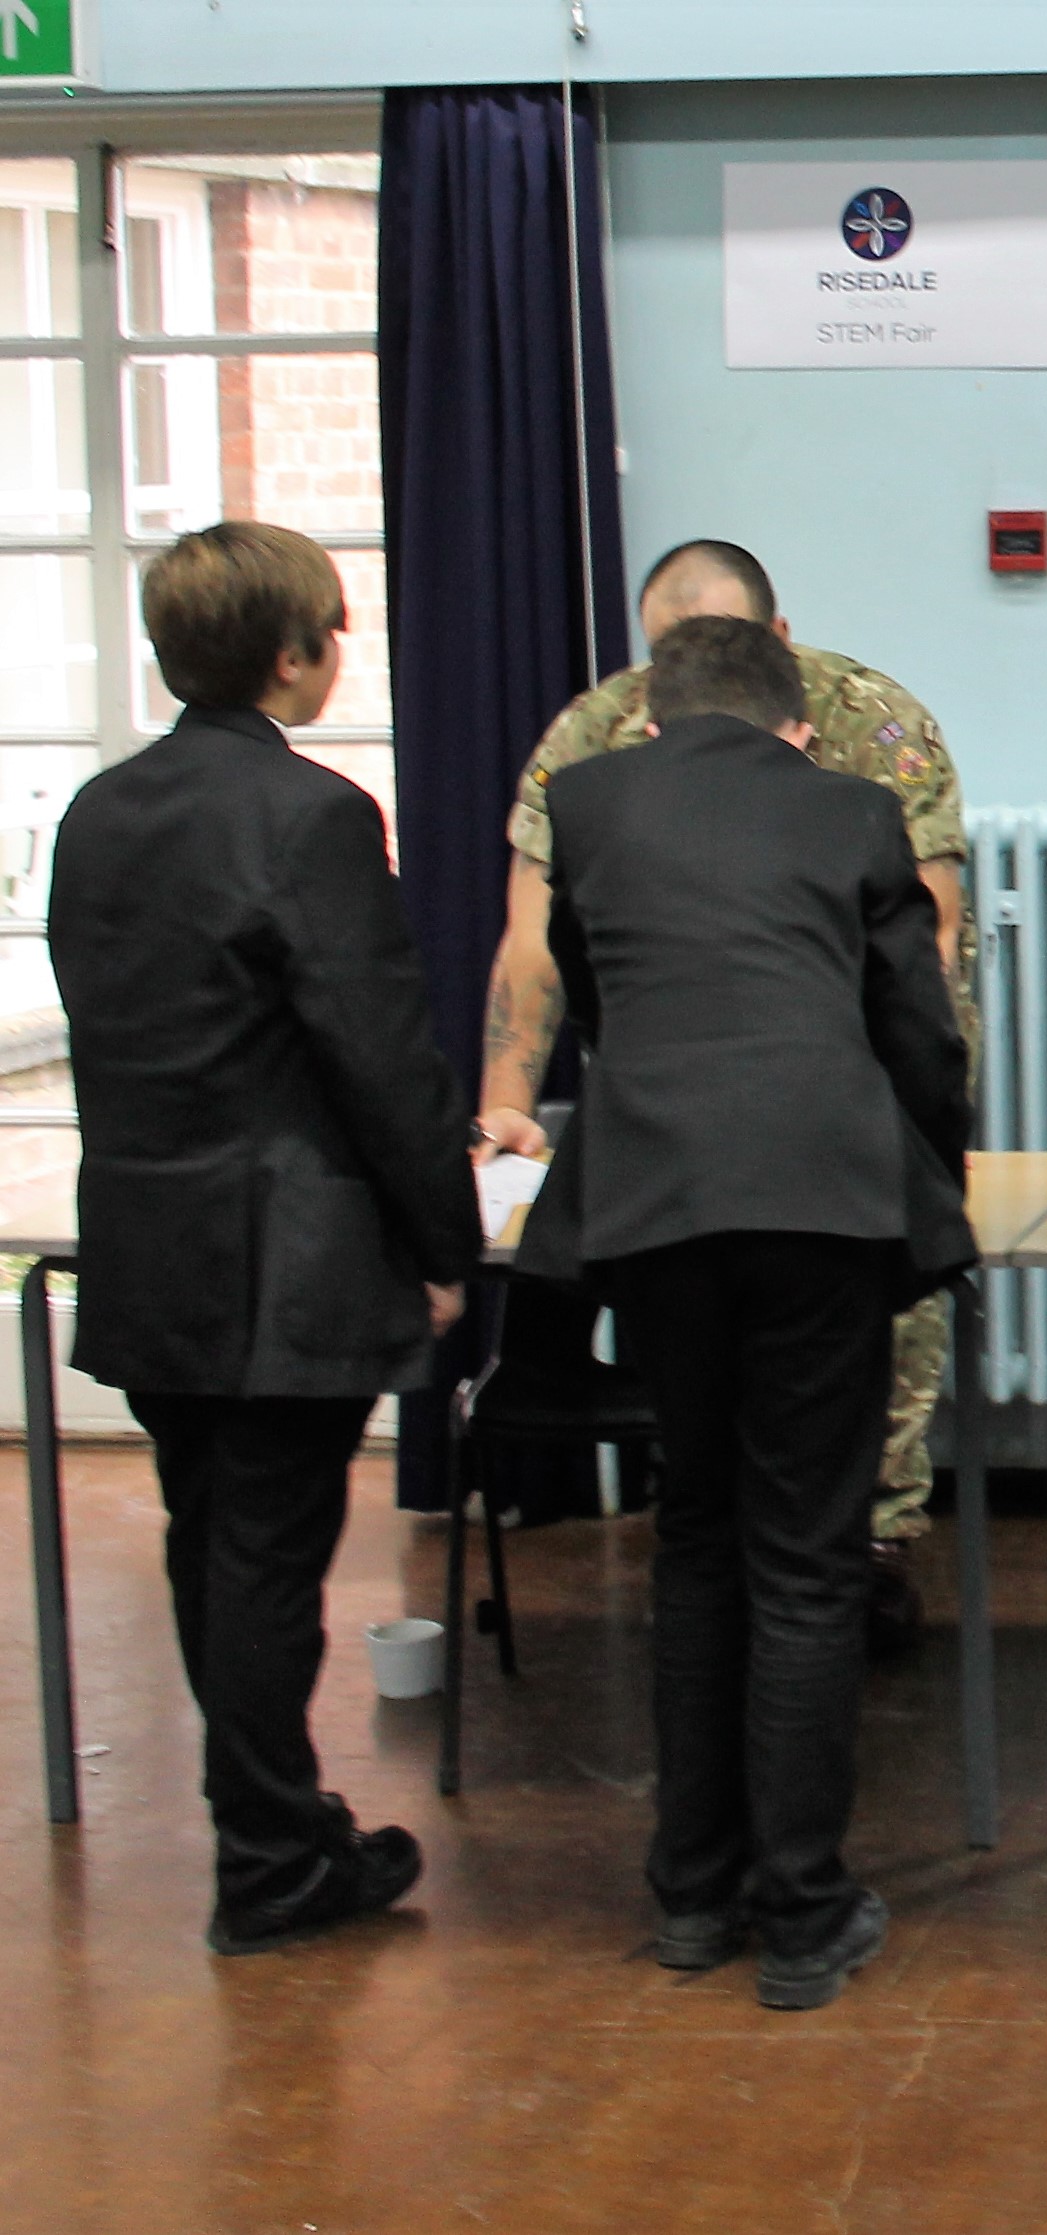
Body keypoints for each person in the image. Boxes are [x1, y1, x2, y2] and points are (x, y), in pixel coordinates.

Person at [514, 616, 971, 2011]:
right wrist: (933, 1172)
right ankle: (803, 1907)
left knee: (697, 1534)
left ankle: (692, 1894)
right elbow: (916, 1022)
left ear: (653, 722)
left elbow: (590, 993)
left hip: (653, 1203)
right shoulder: (853, 810)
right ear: (797, 726)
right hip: (818, 1205)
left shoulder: (589, 804)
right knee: (809, 1557)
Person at [49, 521, 476, 1954]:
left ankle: (270, 1824)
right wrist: (444, 1238)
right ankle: (273, 1857)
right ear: (292, 653)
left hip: (149, 1233)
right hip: (283, 1257)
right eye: (332, 630)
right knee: (269, 1562)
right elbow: (375, 1049)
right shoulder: (310, 815)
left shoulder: (100, 810)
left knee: (208, 1541)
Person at [475, 539, 973, 1650]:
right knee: (718, 1498)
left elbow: (925, 954)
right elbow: (535, 953)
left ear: (780, 642)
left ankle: (879, 1540)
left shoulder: (875, 726)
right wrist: (507, 1103)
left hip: (849, 1106)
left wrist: (918, 1145)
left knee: (861, 1376)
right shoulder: (592, 737)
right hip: (680, 1132)